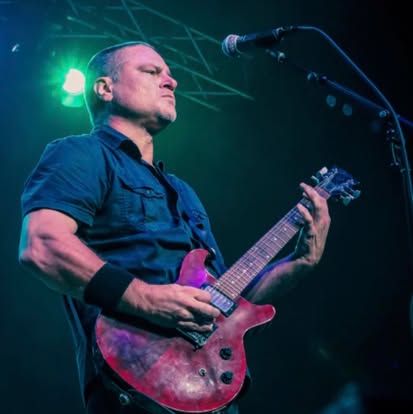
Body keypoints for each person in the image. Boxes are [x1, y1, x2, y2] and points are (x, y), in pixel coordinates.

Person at [18, 41, 331, 414]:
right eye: (151, 72)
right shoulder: (81, 154)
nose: (172, 81)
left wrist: (300, 263)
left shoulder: (184, 193)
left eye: (169, 74)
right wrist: (148, 299)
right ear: (105, 88)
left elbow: (225, 308)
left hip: (211, 390)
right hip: (138, 384)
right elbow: (42, 245)